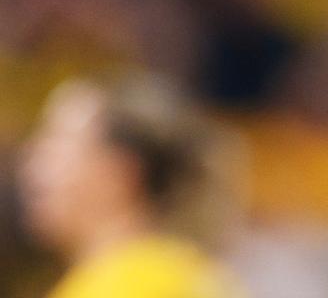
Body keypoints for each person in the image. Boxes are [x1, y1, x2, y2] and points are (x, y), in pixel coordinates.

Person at [19, 76, 246, 298]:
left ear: (120, 172)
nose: (31, 165)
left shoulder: (135, 286)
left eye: (55, 144)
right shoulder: (176, 271)